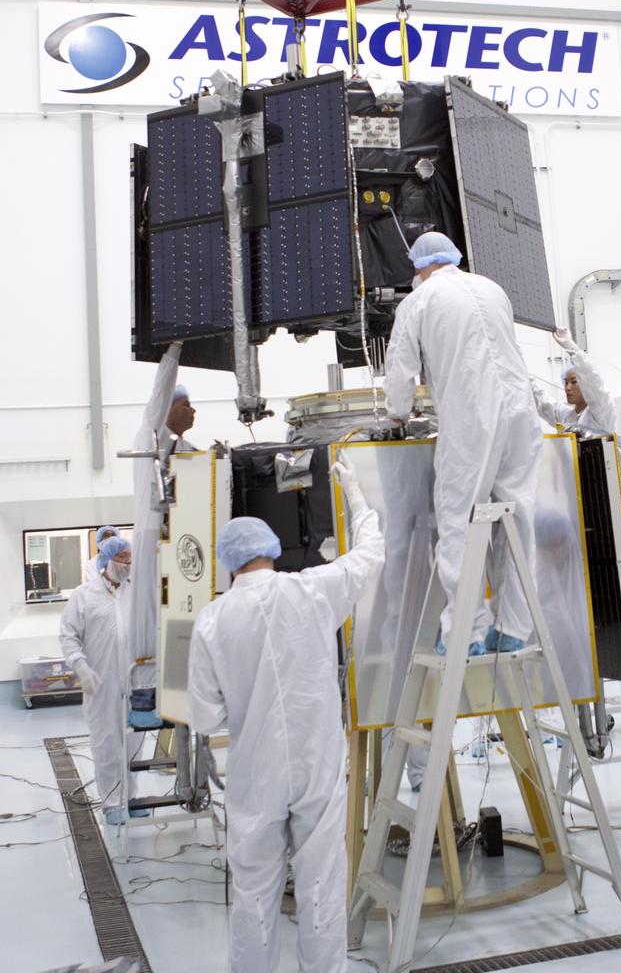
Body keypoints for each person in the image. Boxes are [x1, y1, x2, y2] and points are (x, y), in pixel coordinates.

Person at [186, 455, 384, 973]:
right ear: (273, 550)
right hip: (318, 765)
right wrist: (356, 496)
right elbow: (371, 555)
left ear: (230, 562)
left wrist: (251, 711)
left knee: (252, 893)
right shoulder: (313, 589)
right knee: (321, 885)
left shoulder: (211, 622)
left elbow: (205, 719)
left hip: (255, 773)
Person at [383, 231, 543, 654]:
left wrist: (398, 414)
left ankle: (466, 632)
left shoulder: (418, 301)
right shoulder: (493, 288)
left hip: (472, 418)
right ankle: (512, 628)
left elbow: (400, 372)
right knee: (518, 520)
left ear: (417, 267)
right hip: (522, 415)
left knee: (461, 522)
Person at [533, 330, 621, 604]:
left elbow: (596, 384)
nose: (568, 387)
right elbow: (543, 403)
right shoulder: (567, 416)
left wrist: (573, 349)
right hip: (580, 497)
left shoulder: (601, 412)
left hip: (611, 493)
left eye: (574, 381)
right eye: (565, 382)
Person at [60, 536, 149, 825]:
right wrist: (81, 667)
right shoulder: (84, 596)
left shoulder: (135, 593)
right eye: (122, 557)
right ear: (107, 559)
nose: (128, 563)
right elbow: (68, 636)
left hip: (135, 681)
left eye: (130, 557)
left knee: (134, 743)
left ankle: (132, 798)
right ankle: (112, 802)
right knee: (107, 743)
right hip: (101, 682)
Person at [127, 345, 195, 724]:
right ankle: (146, 692)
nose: (194, 411)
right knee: (150, 612)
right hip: (153, 535)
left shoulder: (184, 448)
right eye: (187, 404)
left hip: (181, 541)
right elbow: (159, 390)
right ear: (171, 406)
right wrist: (176, 346)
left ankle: (180, 685)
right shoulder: (149, 435)